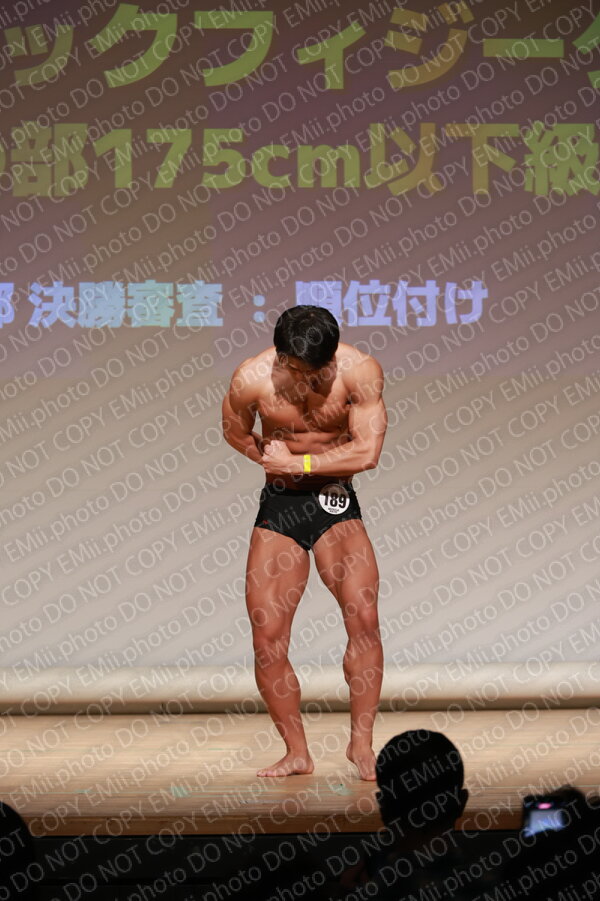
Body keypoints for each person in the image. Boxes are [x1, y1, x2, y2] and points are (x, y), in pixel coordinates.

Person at [222, 305, 387, 780]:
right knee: (267, 637)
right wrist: (269, 460)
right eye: (302, 370)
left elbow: (368, 451)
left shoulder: (359, 370)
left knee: (365, 620)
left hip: (334, 499)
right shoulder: (251, 378)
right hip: (282, 504)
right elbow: (233, 430)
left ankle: (361, 746)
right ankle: (297, 752)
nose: (313, 379)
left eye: (322, 369)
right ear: (282, 357)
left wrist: (302, 464)